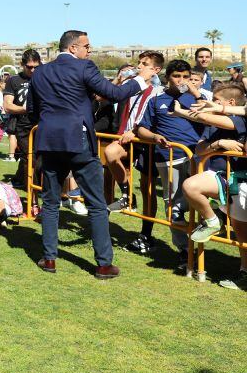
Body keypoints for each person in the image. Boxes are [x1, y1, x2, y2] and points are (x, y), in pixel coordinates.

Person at [29, 30, 156, 279]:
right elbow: (115, 93)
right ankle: (103, 264)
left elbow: (33, 110)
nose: (90, 50)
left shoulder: (40, 72)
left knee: (51, 202)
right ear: (74, 47)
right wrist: (141, 79)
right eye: (87, 46)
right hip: (78, 142)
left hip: (49, 142)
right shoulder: (84, 67)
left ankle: (49, 258)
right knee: (97, 204)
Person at [128, 59, 202, 265]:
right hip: (169, 158)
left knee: (204, 201)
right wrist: (154, 137)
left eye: (186, 77)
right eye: (176, 76)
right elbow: (141, 128)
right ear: (167, 78)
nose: (182, 81)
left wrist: (196, 93)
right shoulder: (156, 100)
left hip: (199, 158)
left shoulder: (199, 99)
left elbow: (211, 116)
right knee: (173, 205)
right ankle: (185, 251)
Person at [175, 83, 246, 244]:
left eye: (216, 100)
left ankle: (243, 266)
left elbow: (205, 117)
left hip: (239, 180)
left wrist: (181, 112)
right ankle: (213, 221)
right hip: (219, 177)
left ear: (231, 103)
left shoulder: (239, 120)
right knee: (191, 186)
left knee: (241, 231)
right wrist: (218, 143)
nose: (211, 102)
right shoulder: (213, 125)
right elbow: (200, 149)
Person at [103, 51, 165, 213]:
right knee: (110, 152)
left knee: (147, 188)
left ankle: (146, 233)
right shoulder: (131, 86)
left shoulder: (159, 91)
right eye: (139, 63)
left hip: (146, 141)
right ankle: (126, 195)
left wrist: (136, 130)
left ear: (156, 70)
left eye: (144, 64)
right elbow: (108, 95)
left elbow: (154, 119)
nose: (139, 66)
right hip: (126, 137)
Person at [3, 51, 41, 185]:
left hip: (41, 123)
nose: (33, 70)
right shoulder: (14, 80)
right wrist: (26, 109)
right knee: (30, 156)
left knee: (40, 157)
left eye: (36, 66)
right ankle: (31, 189)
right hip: (22, 125)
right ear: (22, 65)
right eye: (29, 67)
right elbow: (7, 106)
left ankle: (19, 179)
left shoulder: (43, 77)